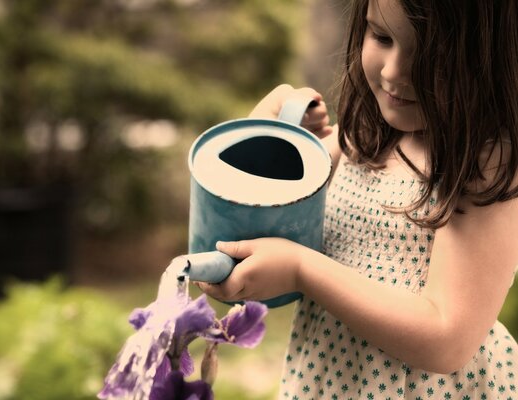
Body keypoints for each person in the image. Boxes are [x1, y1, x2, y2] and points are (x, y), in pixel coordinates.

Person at [196, 0, 518, 398]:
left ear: (489, 55)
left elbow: (446, 338)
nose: (394, 71)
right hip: (329, 381)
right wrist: (266, 133)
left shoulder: (486, 163)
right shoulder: (359, 140)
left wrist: (301, 269)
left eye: (431, 53)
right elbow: (248, 220)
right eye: (382, 36)